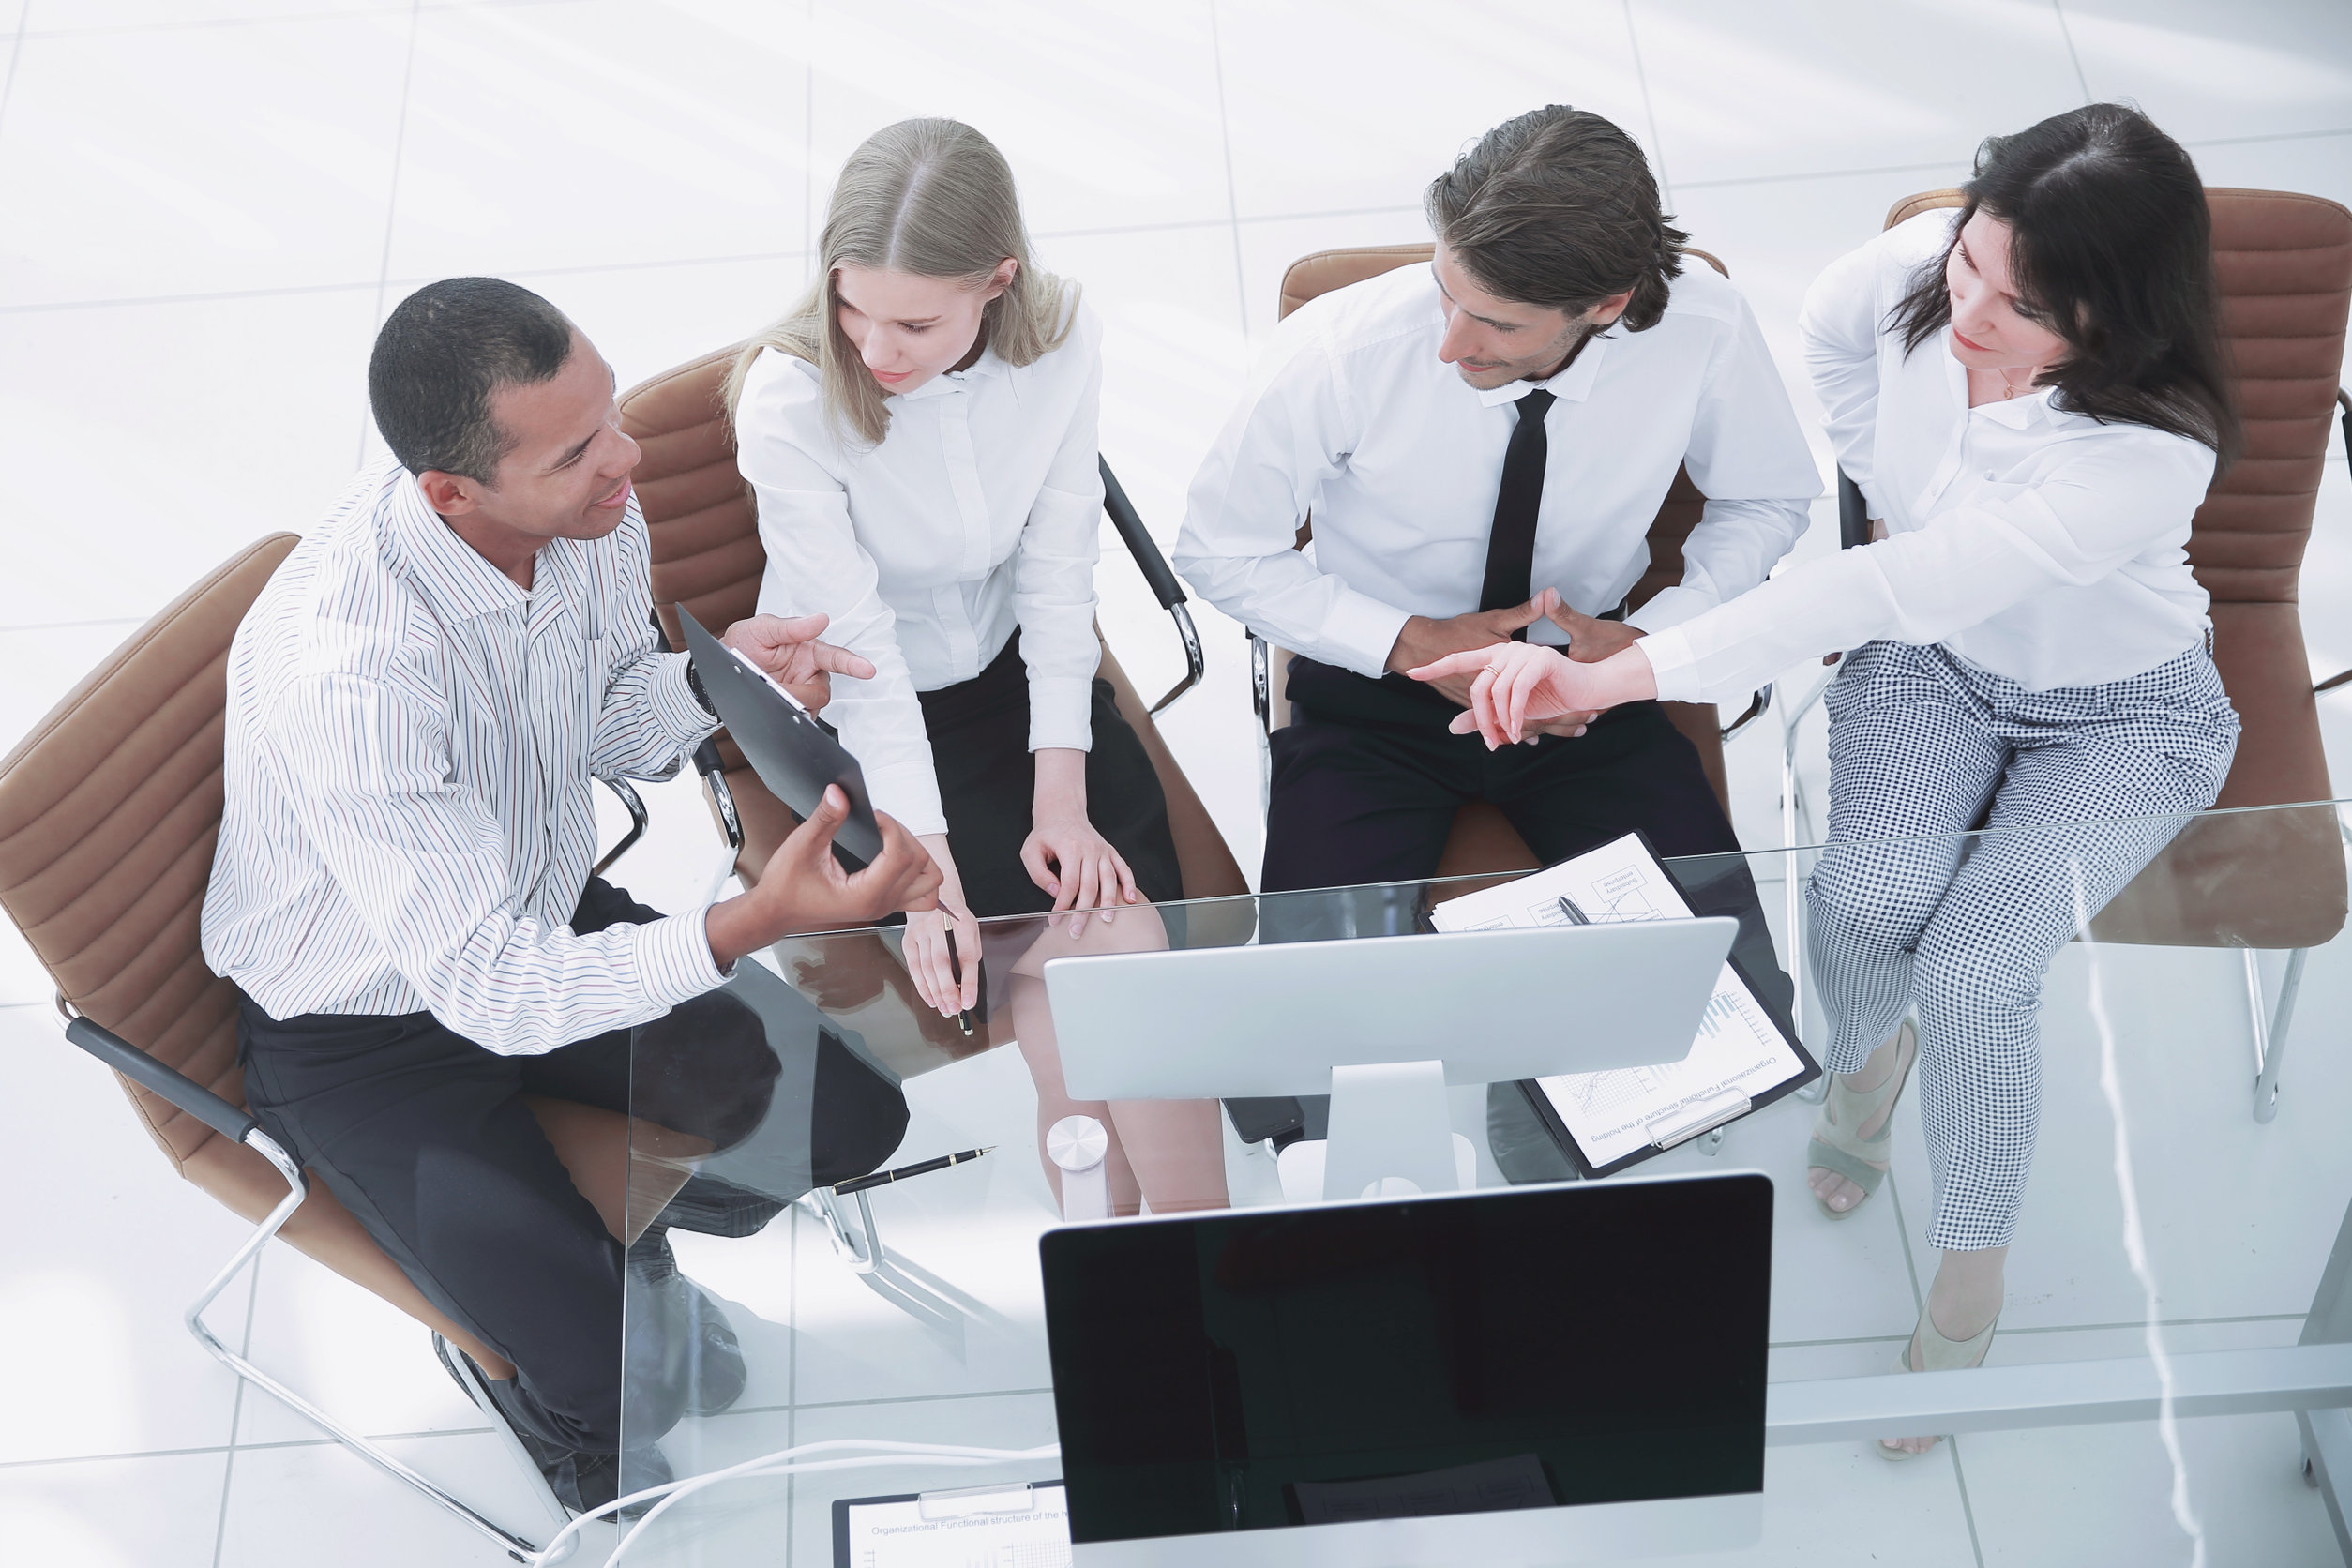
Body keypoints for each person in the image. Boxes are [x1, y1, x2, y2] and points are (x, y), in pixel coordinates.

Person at [1418, 104, 2241, 1457]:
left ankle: (1970, 1275)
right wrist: (1887, 468)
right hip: (1935, 672)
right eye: (1970, 265)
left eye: (2023, 308)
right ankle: (1867, 1072)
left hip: (2120, 716)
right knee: (1863, 903)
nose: (1967, 314)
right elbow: (1835, 347)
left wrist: (1620, 675)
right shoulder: (1926, 268)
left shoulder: (2150, 454)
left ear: (2120, 319)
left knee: (1980, 966)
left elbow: (1895, 581)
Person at [201, 277, 943, 1513]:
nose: (628, 460)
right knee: (612, 1384)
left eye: (611, 417)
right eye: (579, 451)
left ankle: (608, 1260)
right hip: (364, 1030)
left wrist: (715, 686)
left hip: (532, 911)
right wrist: (747, 923)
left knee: (848, 1122)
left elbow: (596, 721)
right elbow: (486, 991)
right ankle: (566, 1389)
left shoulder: (592, 516)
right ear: (453, 495)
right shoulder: (352, 673)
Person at [1173, 103, 1819, 1147]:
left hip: (1584, 692)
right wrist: (1405, 642)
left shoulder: (1705, 327)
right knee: (1300, 1055)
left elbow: (1767, 500)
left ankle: (1582, 1184)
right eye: (1446, 292)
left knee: (1727, 1011)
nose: (1448, 341)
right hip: (1375, 702)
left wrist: (1660, 640)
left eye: (1497, 325)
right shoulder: (1341, 349)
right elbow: (1217, 546)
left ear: (1607, 304)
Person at [730, 117, 1228, 1217]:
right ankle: (1203, 1262)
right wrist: (930, 877)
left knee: (1099, 947)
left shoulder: (1062, 339)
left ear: (999, 280)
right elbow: (863, 667)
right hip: (866, 714)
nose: (874, 345)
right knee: (1093, 962)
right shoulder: (787, 400)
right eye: (851, 304)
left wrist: (1065, 800)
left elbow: (1058, 577)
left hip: (1012, 684)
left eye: (915, 320)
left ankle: (1176, 1253)